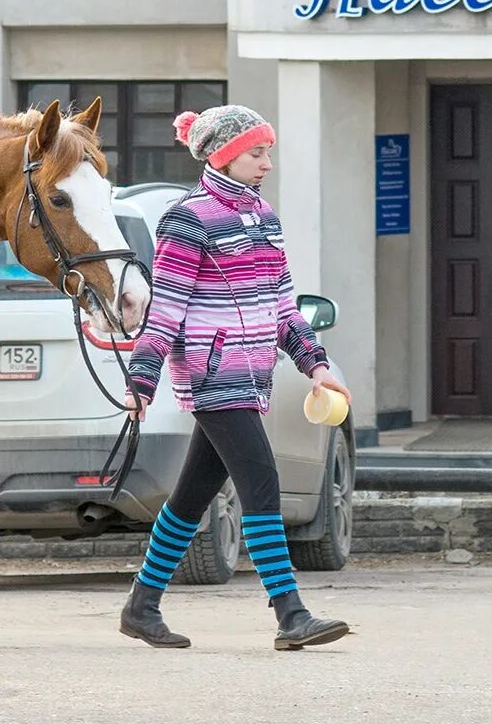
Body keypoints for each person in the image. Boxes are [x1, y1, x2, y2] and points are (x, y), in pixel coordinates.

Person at [119, 104, 352, 651]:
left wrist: (316, 367)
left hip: (253, 377)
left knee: (191, 495)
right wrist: (143, 380)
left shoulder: (264, 217)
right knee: (260, 483)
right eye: (256, 152)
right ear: (223, 156)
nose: (267, 162)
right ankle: (291, 614)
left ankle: (141, 606)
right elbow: (168, 308)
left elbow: (282, 305)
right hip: (211, 373)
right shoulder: (188, 217)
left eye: (267, 150)